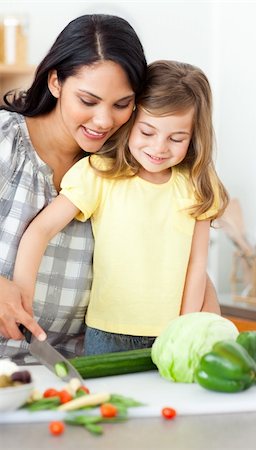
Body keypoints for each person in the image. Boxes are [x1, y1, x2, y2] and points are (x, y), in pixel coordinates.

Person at [12, 60, 229, 356]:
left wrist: (185, 328)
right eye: (147, 132)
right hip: (107, 334)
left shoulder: (198, 187)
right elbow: (40, 229)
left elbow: (196, 264)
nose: (159, 148)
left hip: (170, 335)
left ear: (193, 138)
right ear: (130, 123)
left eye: (176, 138)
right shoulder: (100, 173)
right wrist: (21, 299)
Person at [0, 13, 147, 363]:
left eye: (121, 104)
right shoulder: (6, 141)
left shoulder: (120, 172)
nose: (103, 121)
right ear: (55, 82)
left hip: (64, 380)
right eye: (88, 100)